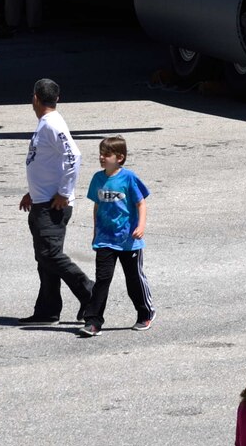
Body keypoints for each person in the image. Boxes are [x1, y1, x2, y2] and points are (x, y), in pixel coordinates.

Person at [17, 77, 94, 324]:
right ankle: (47, 311)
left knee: (49, 254)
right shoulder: (47, 123)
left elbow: (74, 156)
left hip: (53, 204)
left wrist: (63, 191)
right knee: (45, 258)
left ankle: (90, 293)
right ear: (57, 99)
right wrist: (33, 191)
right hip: (42, 200)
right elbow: (47, 162)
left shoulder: (52, 124)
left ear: (35, 99)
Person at [82, 135, 155, 336]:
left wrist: (141, 226)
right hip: (105, 239)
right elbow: (97, 206)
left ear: (120, 157)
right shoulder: (98, 178)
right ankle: (94, 321)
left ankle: (145, 313)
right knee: (102, 280)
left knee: (134, 280)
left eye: (107, 154)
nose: (102, 157)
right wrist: (95, 232)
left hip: (129, 241)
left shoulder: (128, 178)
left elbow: (141, 203)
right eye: (101, 154)